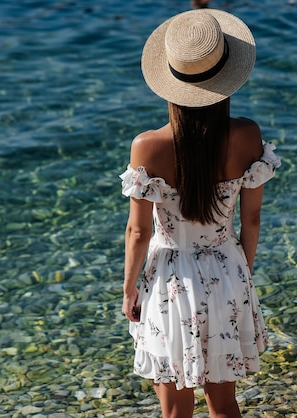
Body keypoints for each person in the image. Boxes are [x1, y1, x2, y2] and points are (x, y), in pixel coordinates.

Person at [120, 9, 281, 418]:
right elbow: (253, 220)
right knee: (224, 405)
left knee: (176, 409)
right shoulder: (247, 136)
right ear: (227, 79)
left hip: (170, 279)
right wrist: (241, 272)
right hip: (228, 270)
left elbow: (138, 233)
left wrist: (129, 290)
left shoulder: (147, 147)